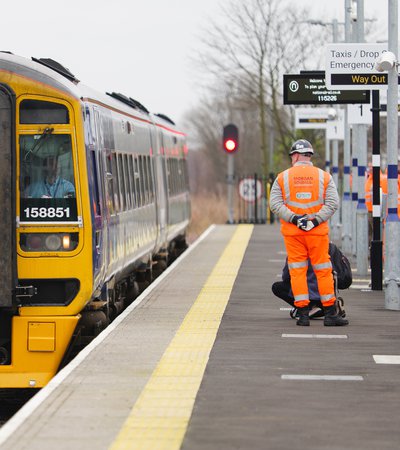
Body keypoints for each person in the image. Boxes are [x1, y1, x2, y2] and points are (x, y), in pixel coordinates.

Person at [269, 139, 348, 326]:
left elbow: (275, 204)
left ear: (295, 156)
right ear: (309, 155)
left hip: (293, 233)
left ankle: (303, 313)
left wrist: (296, 219)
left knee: (297, 271)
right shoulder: (324, 177)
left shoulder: (282, 178)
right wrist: (315, 220)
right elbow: (332, 204)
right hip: (317, 233)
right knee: (323, 269)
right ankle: (330, 313)